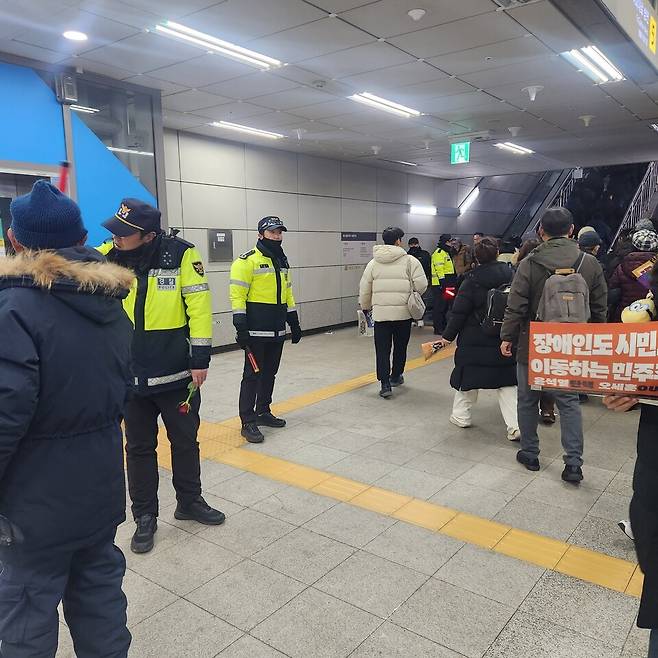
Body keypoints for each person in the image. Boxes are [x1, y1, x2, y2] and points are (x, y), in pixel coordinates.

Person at [0, 181, 133, 655]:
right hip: (98, 487)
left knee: (26, 616)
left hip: (32, 503)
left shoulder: (14, 308)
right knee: (100, 600)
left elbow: (5, 414)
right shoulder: (112, 305)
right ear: (79, 237)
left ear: (15, 241)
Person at [98, 199, 224, 555]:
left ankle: (189, 501)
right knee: (138, 448)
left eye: (125, 233)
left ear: (149, 234)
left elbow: (199, 307)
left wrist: (201, 358)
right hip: (129, 378)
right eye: (115, 232)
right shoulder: (107, 259)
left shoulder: (181, 256)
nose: (116, 238)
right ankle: (145, 517)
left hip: (177, 374)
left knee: (185, 442)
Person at [500, 207, 608, 483]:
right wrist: (594, 342)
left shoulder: (530, 262)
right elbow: (599, 309)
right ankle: (573, 464)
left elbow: (516, 306)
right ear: (572, 230)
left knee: (527, 399)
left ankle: (531, 453)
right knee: (569, 402)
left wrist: (507, 338)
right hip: (572, 346)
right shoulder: (590, 262)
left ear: (540, 231)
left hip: (533, 342)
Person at [434, 237, 520, 440]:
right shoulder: (512, 275)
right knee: (507, 382)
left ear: (476, 257)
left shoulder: (470, 280)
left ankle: (461, 416)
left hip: (474, 337)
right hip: (504, 336)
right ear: (497, 252)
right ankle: (515, 425)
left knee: (468, 378)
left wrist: (447, 337)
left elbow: (459, 313)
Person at [230, 216, 302, 443]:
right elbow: (237, 295)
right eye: (272, 233)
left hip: (277, 330)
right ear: (261, 234)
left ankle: (263, 411)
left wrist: (294, 321)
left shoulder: (281, 261)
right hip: (255, 332)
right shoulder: (246, 261)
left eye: (279, 233)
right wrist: (240, 327)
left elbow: (288, 292)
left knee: (270, 373)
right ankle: (247, 421)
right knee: (252, 376)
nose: (277, 237)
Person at [359, 226, 427, 399]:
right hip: (403, 314)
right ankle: (396, 376)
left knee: (382, 349)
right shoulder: (410, 261)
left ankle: (384, 384)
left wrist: (365, 306)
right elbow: (421, 285)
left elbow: (365, 289)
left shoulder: (373, 263)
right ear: (398, 241)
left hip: (381, 315)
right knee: (400, 347)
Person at [516, 237, 556, 424]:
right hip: (555, 328)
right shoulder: (557, 268)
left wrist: (507, 335)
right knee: (548, 370)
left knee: (527, 373)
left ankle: (527, 419)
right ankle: (547, 409)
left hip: (529, 328)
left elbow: (516, 304)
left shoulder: (524, 268)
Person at [608, 228, 658, 321]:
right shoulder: (656, 266)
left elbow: (613, 290)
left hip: (627, 316)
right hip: (652, 316)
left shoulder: (622, 265)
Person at [431, 233, 456, 334]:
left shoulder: (446, 253)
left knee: (446, 305)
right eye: (450, 241)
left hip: (449, 284)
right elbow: (439, 269)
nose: (452, 243)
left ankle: (444, 325)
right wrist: (442, 282)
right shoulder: (439, 253)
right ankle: (438, 328)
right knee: (439, 306)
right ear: (446, 242)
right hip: (440, 285)